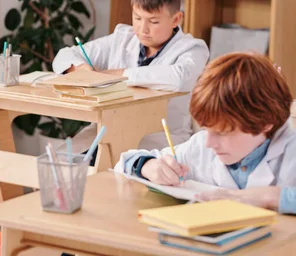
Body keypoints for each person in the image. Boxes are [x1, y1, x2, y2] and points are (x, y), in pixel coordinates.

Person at [114, 52, 296, 209]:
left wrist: (271, 197)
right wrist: (147, 166)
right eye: (207, 129)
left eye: (223, 132)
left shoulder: (290, 153)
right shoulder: (202, 146)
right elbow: (125, 162)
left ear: (265, 122)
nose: (210, 142)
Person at [53, 0, 209, 151]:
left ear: (176, 19)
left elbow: (181, 78)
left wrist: (117, 75)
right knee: (61, 162)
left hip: (159, 139)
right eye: (137, 18)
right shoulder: (122, 38)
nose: (143, 29)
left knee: (117, 167)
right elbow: (64, 55)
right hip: (107, 130)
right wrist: (81, 70)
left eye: (153, 21)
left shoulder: (193, 48)